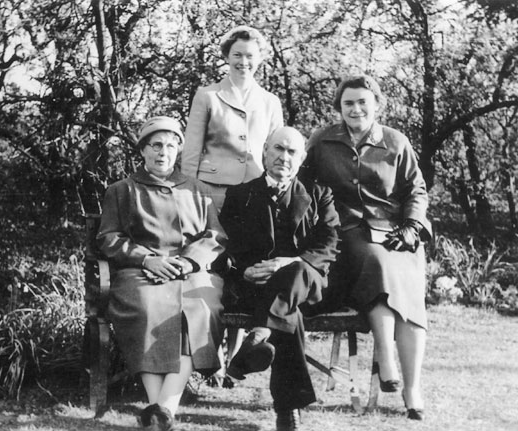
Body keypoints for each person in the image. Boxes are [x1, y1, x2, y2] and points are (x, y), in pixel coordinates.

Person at [300, 75, 432, 421]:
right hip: (347, 232)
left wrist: (412, 226)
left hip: (395, 232)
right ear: (339, 108)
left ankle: (411, 387)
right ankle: (387, 360)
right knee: (374, 260)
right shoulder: (322, 140)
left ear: (376, 104)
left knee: (408, 291)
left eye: (363, 102)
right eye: (348, 104)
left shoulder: (395, 141)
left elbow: (416, 190)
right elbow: (302, 186)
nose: (356, 109)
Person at [97, 116, 227, 430]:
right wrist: (145, 259)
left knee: (197, 309)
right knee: (147, 307)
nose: (163, 152)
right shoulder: (122, 190)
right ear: (142, 150)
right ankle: (163, 410)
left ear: (178, 150)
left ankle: (160, 410)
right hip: (141, 274)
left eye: (170, 146)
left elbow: (215, 236)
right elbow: (108, 238)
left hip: (190, 272)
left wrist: (188, 262)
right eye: (156, 145)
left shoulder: (196, 189)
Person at [219, 127, 340, 431]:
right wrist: (242, 269)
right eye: (278, 149)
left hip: (305, 285)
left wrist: (290, 262)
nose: (284, 157)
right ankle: (288, 413)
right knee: (288, 317)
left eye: (292, 152)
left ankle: (260, 330)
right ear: (265, 152)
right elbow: (228, 245)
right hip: (258, 289)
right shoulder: (241, 195)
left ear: (301, 159)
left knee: (296, 270)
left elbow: (328, 245)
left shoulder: (319, 195)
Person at [182, 24, 285, 384]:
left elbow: (277, 150)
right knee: (215, 267)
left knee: (245, 263)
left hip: (254, 199)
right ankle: (208, 359)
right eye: (237, 55)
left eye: (250, 57)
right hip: (213, 194)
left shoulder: (270, 102)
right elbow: (192, 151)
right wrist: (189, 195)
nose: (244, 62)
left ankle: (233, 356)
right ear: (227, 56)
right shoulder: (207, 96)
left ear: (260, 60)